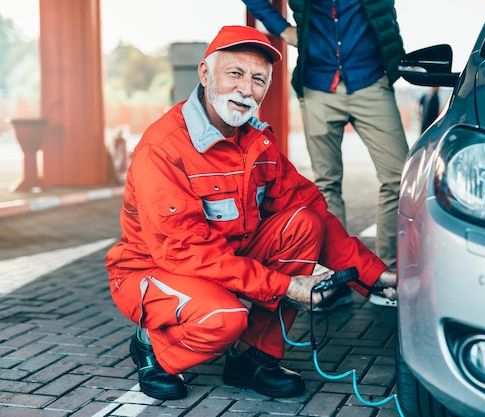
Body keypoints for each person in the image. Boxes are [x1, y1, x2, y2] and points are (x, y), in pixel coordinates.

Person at [105, 25, 397, 402]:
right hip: (154, 268)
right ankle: (155, 349)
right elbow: (184, 250)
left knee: (304, 222)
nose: (247, 88)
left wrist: (375, 276)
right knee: (223, 318)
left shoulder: (257, 141)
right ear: (205, 74)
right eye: (235, 74)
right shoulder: (164, 148)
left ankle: (252, 358)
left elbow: (310, 210)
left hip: (224, 261)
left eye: (259, 79)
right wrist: (286, 286)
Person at [243, 0, 409, 309]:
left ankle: (380, 272)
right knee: (326, 185)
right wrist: (281, 29)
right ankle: (340, 279)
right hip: (318, 83)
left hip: (371, 79)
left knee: (399, 176)